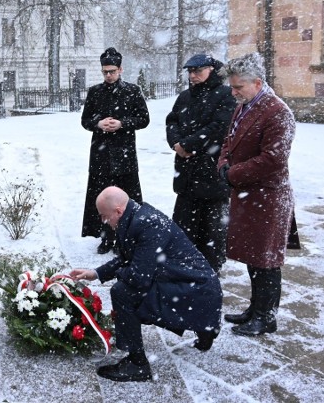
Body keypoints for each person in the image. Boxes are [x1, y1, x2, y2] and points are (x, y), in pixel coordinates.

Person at [70, 187, 222, 382]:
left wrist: (119, 273)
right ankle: (204, 327)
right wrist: (96, 273)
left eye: (104, 216)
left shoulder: (147, 224)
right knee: (127, 287)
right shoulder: (135, 217)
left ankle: (138, 364)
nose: (103, 222)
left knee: (122, 292)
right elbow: (127, 259)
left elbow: (139, 277)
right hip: (185, 282)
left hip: (199, 289)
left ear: (117, 211)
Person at [217, 52, 295, 336]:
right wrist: (224, 164)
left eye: (238, 87)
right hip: (249, 195)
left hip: (269, 198)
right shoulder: (245, 105)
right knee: (254, 258)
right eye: (232, 87)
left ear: (258, 82)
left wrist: (232, 174)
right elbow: (229, 140)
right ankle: (255, 308)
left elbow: (273, 160)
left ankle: (266, 316)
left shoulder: (277, 113)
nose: (233, 92)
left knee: (267, 260)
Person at [165, 54, 236, 272]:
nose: (193, 76)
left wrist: (188, 144)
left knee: (212, 229)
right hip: (186, 173)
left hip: (211, 172)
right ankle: (184, 264)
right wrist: (176, 142)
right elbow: (172, 120)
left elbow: (219, 127)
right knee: (184, 225)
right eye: (190, 72)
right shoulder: (185, 96)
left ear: (212, 71)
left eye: (198, 71)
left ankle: (211, 268)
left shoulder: (225, 95)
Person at [81, 47, 150, 254]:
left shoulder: (132, 91)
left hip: (124, 153)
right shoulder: (95, 92)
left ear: (120, 69)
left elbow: (144, 119)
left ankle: (126, 238)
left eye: (112, 71)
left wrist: (122, 123)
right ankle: (105, 237)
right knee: (101, 197)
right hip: (101, 155)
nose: (108, 75)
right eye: (105, 72)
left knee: (126, 198)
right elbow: (85, 120)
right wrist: (98, 123)